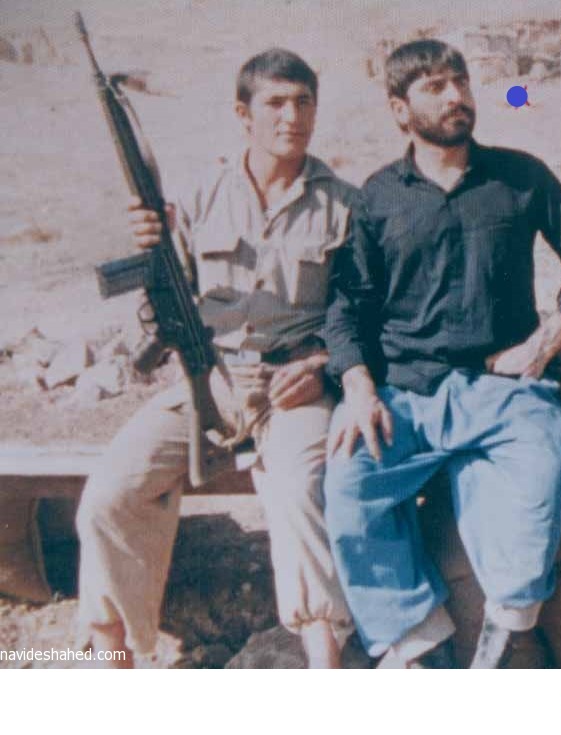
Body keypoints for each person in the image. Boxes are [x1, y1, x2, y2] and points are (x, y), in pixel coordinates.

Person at [322, 39, 561, 668]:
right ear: (399, 109)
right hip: (405, 391)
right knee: (349, 485)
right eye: (434, 87)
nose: (456, 95)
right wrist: (359, 387)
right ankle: (418, 644)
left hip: (504, 389)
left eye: (459, 81)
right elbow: (347, 305)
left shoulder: (520, 176)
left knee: (537, 491)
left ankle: (502, 644)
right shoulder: (378, 197)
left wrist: (548, 340)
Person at [76, 48, 358, 668]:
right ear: (242, 113)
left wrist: (322, 368)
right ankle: (111, 658)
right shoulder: (198, 197)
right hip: (207, 377)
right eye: (276, 102)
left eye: (304, 102)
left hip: (293, 387)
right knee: (109, 495)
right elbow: (162, 302)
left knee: (301, 492)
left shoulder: (344, 205)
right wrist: (151, 254)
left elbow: (361, 316)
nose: (292, 116)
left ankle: (325, 663)